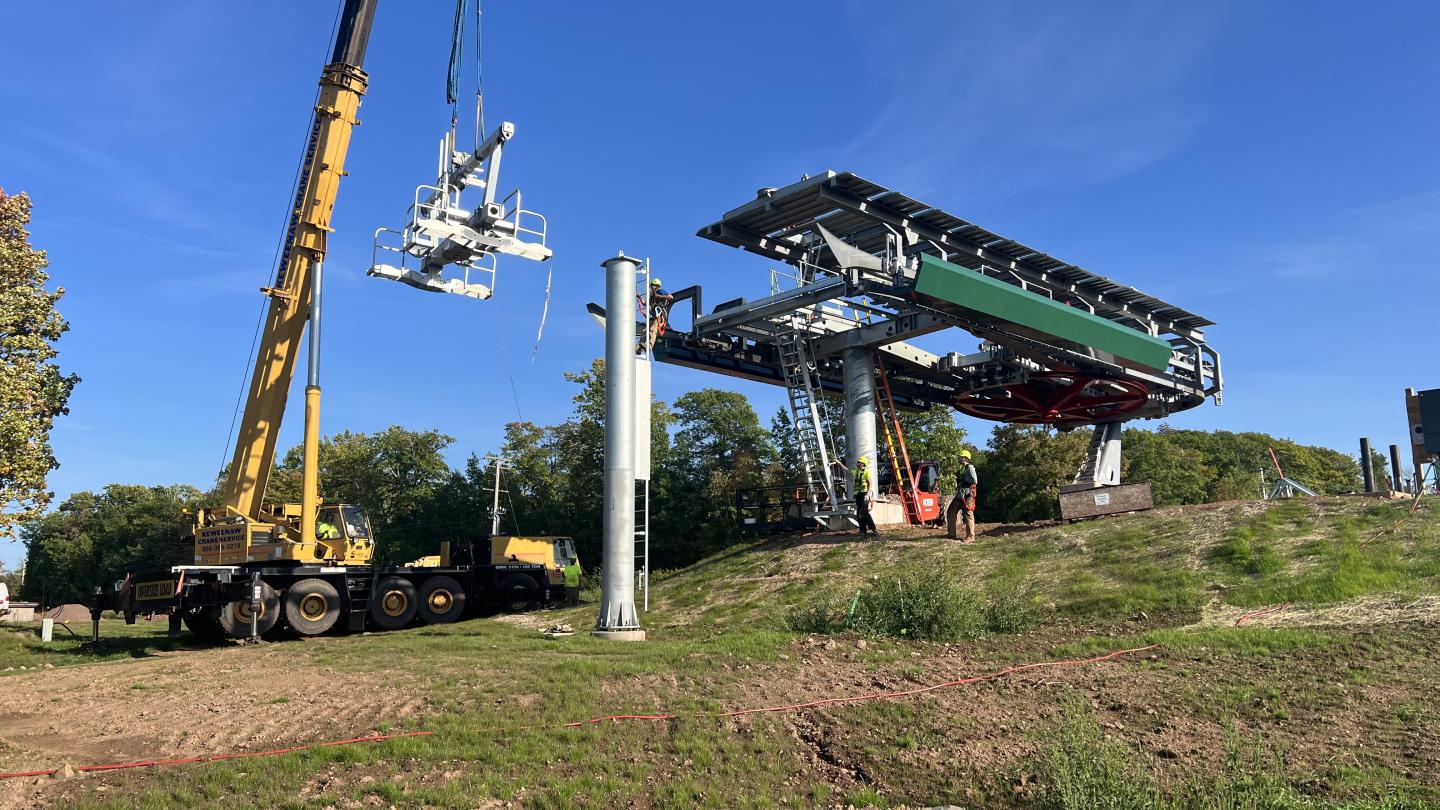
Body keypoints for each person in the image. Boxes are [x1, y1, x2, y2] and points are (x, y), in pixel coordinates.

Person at [836, 456, 879, 538]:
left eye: (859, 462)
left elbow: (870, 483)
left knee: (864, 512)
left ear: (863, 464)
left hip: (864, 494)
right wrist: (839, 463)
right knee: (859, 513)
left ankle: (874, 529)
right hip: (858, 494)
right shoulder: (856, 472)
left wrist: (868, 494)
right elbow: (846, 470)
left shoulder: (866, 472)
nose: (858, 463)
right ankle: (863, 531)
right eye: (858, 462)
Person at [946, 449, 978, 542]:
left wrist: (964, 479)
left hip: (968, 495)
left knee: (968, 514)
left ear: (965, 458)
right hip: (960, 495)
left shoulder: (970, 467)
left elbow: (975, 481)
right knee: (951, 512)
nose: (959, 458)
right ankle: (951, 534)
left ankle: (971, 536)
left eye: (960, 457)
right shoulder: (961, 469)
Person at [642, 278, 674, 352]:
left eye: (655, 285)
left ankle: (649, 346)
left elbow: (671, 297)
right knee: (644, 331)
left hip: (659, 315)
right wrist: (639, 297)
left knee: (653, 330)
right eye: (652, 285)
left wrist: (660, 296)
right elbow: (645, 303)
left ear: (657, 286)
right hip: (654, 316)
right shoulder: (652, 295)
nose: (653, 287)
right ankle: (639, 347)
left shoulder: (660, 291)